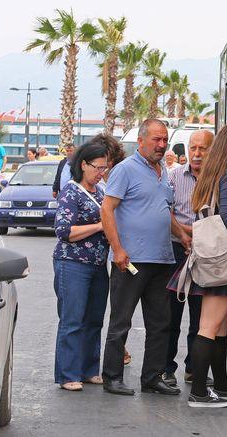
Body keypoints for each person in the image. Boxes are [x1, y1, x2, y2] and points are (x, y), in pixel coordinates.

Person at [100, 119, 189, 396]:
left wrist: (183, 236)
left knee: (160, 323)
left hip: (162, 261)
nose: (161, 145)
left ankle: (151, 377)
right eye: (156, 140)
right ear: (140, 141)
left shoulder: (163, 171)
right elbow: (107, 209)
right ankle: (112, 377)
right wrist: (117, 249)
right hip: (132, 262)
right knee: (121, 321)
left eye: (164, 140)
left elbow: (165, 211)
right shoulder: (125, 170)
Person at [168, 126, 227, 408]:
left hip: (214, 260)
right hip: (221, 261)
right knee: (208, 327)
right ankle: (199, 393)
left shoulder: (209, 175)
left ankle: (222, 385)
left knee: (220, 326)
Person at [52, 142, 110, 391]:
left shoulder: (101, 191)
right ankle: (68, 374)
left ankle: (88, 369)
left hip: (98, 264)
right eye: (97, 167)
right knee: (72, 319)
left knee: (94, 319)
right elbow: (64, 230)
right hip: (73, 263)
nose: (101, 172)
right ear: (83, 165)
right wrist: (99, 226)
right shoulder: (71, 191)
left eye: (105, 168)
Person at [162, 129, 214, 387]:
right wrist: (184, 234)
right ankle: (166, 369)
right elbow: (165, 211)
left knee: (200, 316)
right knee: (170, 315)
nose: (196, 154)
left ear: (211, 151)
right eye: (193, 148)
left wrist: (196, 233)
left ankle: (194, 369)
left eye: (202, 148)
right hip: (176, 251)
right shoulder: (173, 176)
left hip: (206, 254)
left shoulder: (218, 180)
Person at [89, 132, 132, 367]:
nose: (103, 168)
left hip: (116, 246)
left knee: (118, 304)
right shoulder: (95, 182)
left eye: (107, 162)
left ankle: (119, 349)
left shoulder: (118, 176)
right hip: (101, 248)